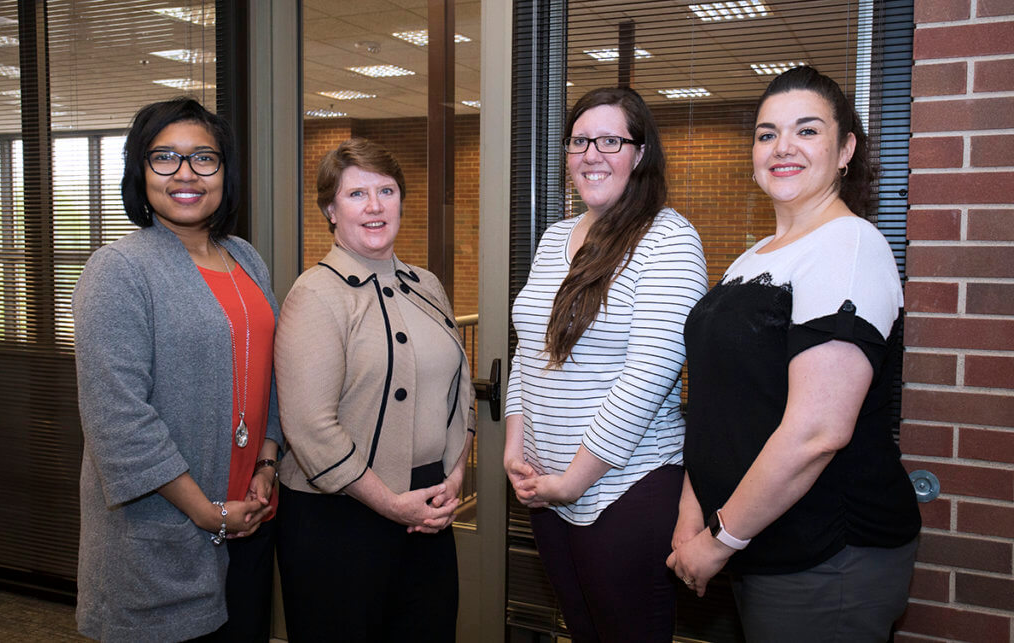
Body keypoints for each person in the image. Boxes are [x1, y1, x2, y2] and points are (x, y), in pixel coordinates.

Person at [668, 65, 921, 641]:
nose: (782, 147)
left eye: (807, 131)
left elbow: (817, 432)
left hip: (827, 556)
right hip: (752, 540)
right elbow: (717, 404)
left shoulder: (849, 245)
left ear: (845, 149)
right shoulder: (756, 256)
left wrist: (719, 539)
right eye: (766, 134)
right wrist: (694, 512)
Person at [73, 98, 282, 641]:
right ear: (140, 171)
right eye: (164, 157)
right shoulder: (119, 270)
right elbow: (119, 421)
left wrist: (267, 461)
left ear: (224, 172)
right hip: (162, 538)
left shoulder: (246, 258)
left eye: (203, 158)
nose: (185, 173)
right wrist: (209, 513)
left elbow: (270, 373)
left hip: (250, 521)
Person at [504, 87, 708, 642]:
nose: (591, 153)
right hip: (548, 490)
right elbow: (529, 348)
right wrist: (515, 448)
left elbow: (650, 375)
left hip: (624, 489)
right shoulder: (554, 238)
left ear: (639, 154)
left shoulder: (668, 239)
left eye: (610, 140)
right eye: (579, 141)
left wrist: (572, 481)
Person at [274, 137, 475, 643]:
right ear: (330, 210)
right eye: (356, 194)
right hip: (339, 517)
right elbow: (310, 429)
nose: (374, 206)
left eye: (386, 191)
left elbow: (461, 393)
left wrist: (454, 476)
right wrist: (389, 503)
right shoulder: (314, 295)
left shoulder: (427, 284)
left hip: (428, 507)